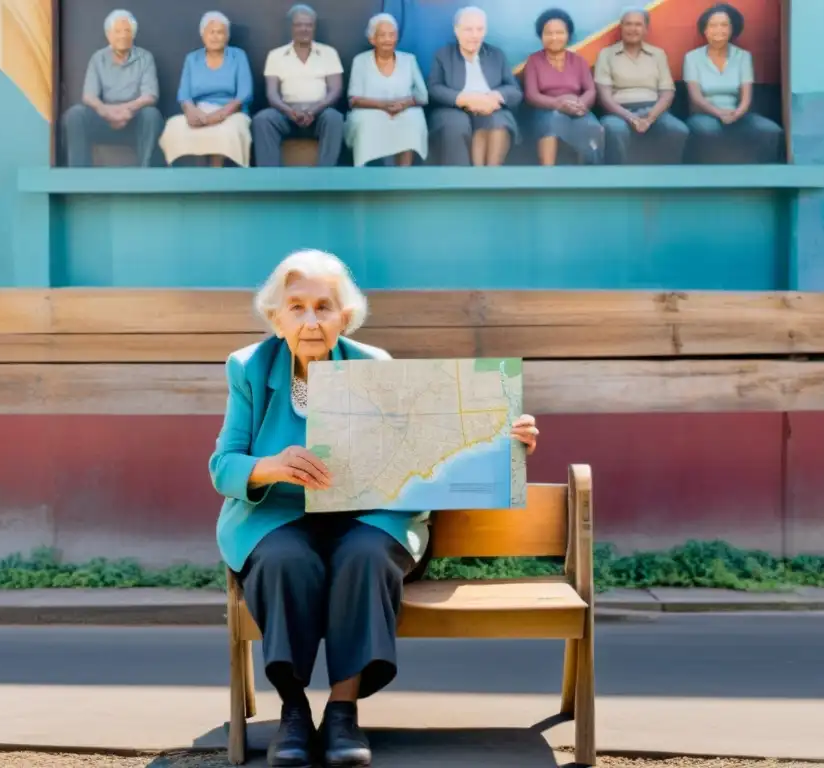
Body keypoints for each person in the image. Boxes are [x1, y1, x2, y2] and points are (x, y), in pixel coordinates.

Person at [211, 249, 541, 768]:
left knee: (363, 555)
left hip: (365, 516)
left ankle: (342, 714)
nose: (311, 319)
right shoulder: (248, 368)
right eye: (296, 307)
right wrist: (270, 466)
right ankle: (293, 713)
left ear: (346, 316)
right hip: (279, 517)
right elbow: (222, 464)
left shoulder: (374, 366)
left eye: (325, 306)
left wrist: (503, 436)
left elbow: (429, 443)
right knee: (284, 560)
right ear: (276, 319)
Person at [683, 3, 783, 164]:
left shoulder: (743, 56)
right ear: (705, 30)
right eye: (713, 26)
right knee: (708, 131)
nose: (718, 30)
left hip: (738, 115)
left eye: (724, 25)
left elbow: (746, 96)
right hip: (705, 115)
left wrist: (737, 113)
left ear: (732, 29)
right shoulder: (692, 58)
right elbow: (695, 97)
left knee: (770, 130)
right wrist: (719, 113)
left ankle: (762, 176)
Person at [62, 9, 163, 168]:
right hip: (104, 119)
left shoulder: (145, 58)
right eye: (117, 31)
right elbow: (89, 96)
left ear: (133, 35)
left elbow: (150, 95)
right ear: (108, 35)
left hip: (133, 119)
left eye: (127, 31)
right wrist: (105, 111)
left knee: (152, 115)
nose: (122, 35)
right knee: (75, 115)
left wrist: (126, 110)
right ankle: (80, 174)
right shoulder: (98, 58)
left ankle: (146, 172)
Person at [427, 6, 523, 166]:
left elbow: (514, 90)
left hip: (490, 107)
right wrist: (462, 99)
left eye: (479, 29)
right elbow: (434, 88)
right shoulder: (443, 55)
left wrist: (496, 96)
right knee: (455, 124)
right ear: (456, 30)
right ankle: (460, 181)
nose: (474, 35)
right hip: (454, 109)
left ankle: (490, 179)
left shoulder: (496, 55)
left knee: (498, 121)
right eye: (468, 29)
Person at [253, 5, 346, 167]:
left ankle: (326, 176)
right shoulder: (276, 55)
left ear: (314, 27)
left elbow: (335, 90)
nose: (304, 29)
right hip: (286, 114)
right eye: (299, 25)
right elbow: (272, 94)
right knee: (262, 119)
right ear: (291, 27)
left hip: (319, 114)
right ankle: (269, 180)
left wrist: (314, 109)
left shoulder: (328, 53)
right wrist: (289, 111)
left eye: (309, 25)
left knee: (335, 118)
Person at [159, 12, 254, 168]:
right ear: (203, 35)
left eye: (220, 32)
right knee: (174, 126)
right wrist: (192, 113)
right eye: (211, 32)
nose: (215, 37)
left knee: (226, 131)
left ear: (227, 36)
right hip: (200, 111)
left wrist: (219, 115)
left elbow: (244, 94)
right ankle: (198, 173)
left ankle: (216, 172)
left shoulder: (238, 56)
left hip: (231, 112)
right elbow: (184, 95)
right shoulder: (192, 58)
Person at [594, 7, 689, 165]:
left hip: (653, 110)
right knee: (614, 129)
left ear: (646, 29)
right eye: (628, 24)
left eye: (638, 24)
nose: (633, 29)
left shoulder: (658, 54)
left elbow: (667, 92)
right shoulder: (606, 54)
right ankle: (619, 179)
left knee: (677, 130)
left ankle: (668, 179)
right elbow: (605, 97)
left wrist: (651, 117)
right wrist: (630, 117)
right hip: (618, 112)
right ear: (621, 28)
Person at [345, 13, 429, 167]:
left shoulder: (409, 60)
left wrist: (404, 104)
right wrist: (383, 106)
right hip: (370, 111)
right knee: (366, 122)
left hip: (403, 110)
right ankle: (367, 178)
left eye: (392, 35)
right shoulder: (360, 61)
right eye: (382, 35)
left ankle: (404, 177)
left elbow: (423, 96)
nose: (388, 39)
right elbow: (353, 100)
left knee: (413, 118)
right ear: (372, 39)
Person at [523, 8, 604, 166]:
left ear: (568, 35)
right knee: (551, 124)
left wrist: (580, 104)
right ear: (541, 36)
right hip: (546, 110)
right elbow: (531, 94)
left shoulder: (578, 61)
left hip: (577, 109)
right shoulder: (534, 61)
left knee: (593, 127)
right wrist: (558, 104)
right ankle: (547, 176)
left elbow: (590, 90)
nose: (554, 37)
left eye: (560, 33)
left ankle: (589, 178)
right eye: (548, 33)